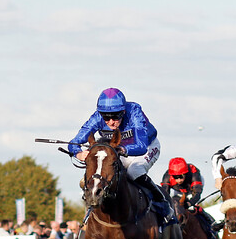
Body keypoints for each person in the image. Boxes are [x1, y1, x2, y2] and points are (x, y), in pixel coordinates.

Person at [68, 87, 173, 225]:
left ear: (123, 111)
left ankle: (162, 204)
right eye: (106, 116)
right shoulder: (96, 118)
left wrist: (121, 149)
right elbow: (73, 143)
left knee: (133, 171)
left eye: (116, 116)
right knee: (100, 174)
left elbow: (141, 146)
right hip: (116, 150)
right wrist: (79, 153)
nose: (111, 121)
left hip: (147, 147)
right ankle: (92, 209)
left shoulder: (134, 112)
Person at [161, 157, 219, 239]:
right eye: (175, 177)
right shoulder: (167, 176)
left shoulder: (193, 172)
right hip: (178, 190)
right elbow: (165, 195)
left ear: (185, 173)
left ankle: (211, 228)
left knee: (192, 208)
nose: (178, 180)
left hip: (192, 188)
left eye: (181, 177)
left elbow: (197, 194)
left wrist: (189, 203)